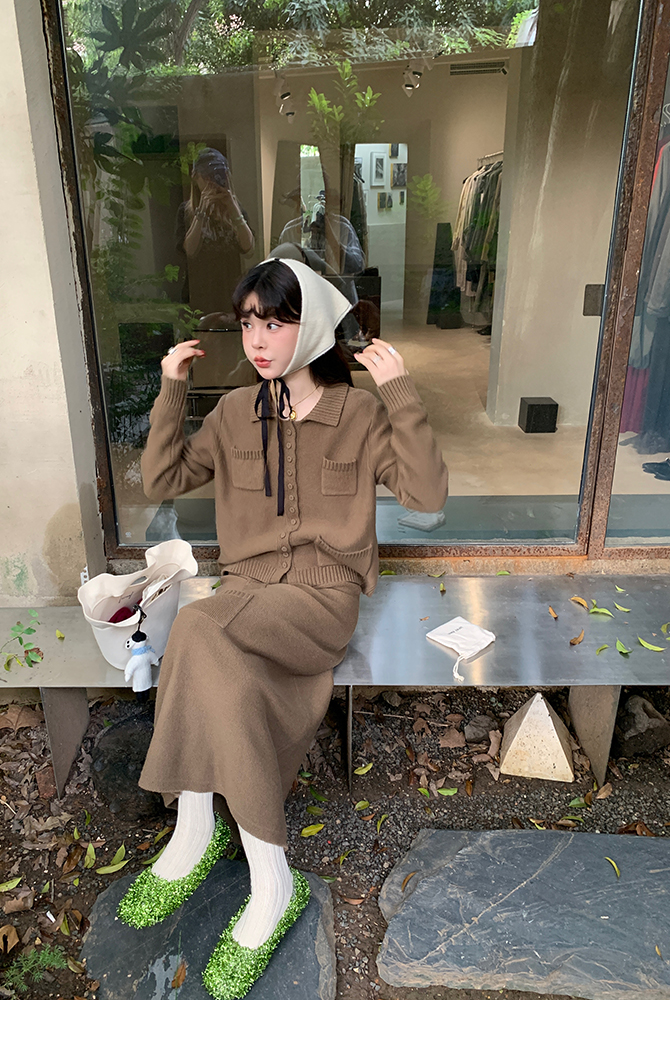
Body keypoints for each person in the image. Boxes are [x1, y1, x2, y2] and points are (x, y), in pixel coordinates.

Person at [116, 256, 448, 999]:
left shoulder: (357, 415)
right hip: (246, 599)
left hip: (320, 602)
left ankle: (199, 834)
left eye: (276, 322)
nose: (258, 340)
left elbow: (426, 498)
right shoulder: (236, 411)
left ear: (315, 326)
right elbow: (162, 480)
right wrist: (172, 388)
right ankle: (267, 876)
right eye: (248, 323)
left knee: (196, 630)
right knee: (220, 665)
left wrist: (400, 394)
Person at [174, 148, 254, 316]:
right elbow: (189, 251)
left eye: (217, 175)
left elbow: (248, 249)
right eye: (207, 176)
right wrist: (201, 212)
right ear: (195, 177)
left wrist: (233, 209)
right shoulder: (186, 211)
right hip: (198, 295)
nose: (212, 181)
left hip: (230, 294)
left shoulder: (236, 211)